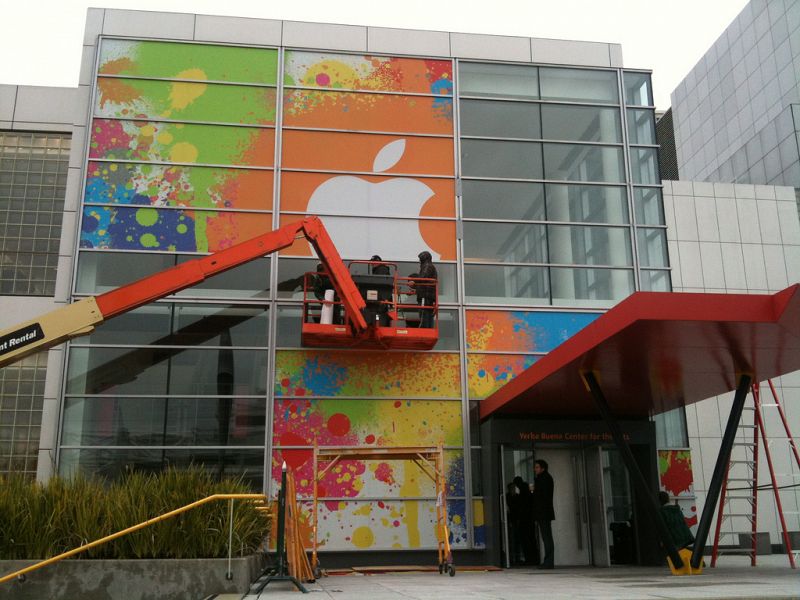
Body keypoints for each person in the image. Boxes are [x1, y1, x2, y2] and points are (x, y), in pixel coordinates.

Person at [532, 459, 555, 569]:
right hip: (544, 512)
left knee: (546, 537)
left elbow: (542, 497)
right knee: (546, 537)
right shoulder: (544, 478)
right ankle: (548, 561)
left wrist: (533, 491)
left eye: (537, 467)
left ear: (542, 468)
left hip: (543, 513)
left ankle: (548, 562)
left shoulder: (544, 479)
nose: (535, 469)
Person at [513, 475, 539, 566]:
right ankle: (534, 558)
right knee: (531, 539)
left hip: (525, 519)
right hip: (529, 519)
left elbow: (521, 506)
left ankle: (530, 559)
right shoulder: (527, 491)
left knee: (526, 539)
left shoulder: (523, 493)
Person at [416, 251, 437, 328]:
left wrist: (414, 282)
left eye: (420, 259)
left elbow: (423, 279)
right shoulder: (429, 266)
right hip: (428, 295)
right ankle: (427, 329)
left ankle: (425, 329)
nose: (419, 261)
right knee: (427, 314)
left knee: (424, 315)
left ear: (423, 258)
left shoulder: (427, 266)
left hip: (425, 296)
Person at [369, 255, 391, 325]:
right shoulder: (380, 269)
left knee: (380, 312)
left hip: (382, 296)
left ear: (377, 262)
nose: (372, 264)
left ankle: (381, 324)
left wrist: (383, 298)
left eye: (373, 262)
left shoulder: (381, 270)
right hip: (382, 296)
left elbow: (381, 284)